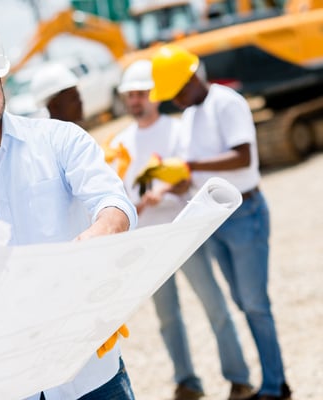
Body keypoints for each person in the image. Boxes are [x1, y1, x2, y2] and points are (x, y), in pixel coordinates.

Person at [0, 11, 138, 400]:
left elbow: (112, 202)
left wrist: (100, 234)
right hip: (10, 386)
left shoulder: (60, 140)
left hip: (92, 372)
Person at [150, 44, 292, 400]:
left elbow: (242, 157)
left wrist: (191, 168)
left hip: (245, 213)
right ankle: (277, 382)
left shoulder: (226, 103)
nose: (176, 102)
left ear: (192, 80)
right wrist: (168, 177)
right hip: (216, 219)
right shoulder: (191, 116)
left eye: (177, 94)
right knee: (244, 303)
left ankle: (275, 387)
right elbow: (189, 168)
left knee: (255, 304)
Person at [107, 59, 254, 400]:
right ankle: (187, 382)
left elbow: (189, 176)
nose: (135, 101)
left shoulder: (177, 129)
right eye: (130, 95)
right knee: (167, 318)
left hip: (184, 231)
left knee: (214, 307)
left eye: (141, 93)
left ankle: (239, 380)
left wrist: (166, 189)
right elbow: (118, 188)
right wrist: (135, 203)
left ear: (155, 96)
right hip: (149, 241)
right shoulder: (121, 141)